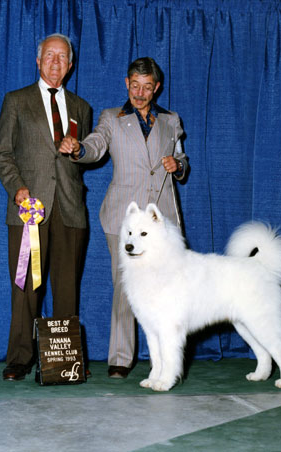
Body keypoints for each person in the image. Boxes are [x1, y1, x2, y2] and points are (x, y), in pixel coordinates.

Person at [59, 57, 188, 378]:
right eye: (135, 86)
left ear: (156, 88)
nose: (140, 93)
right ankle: (120, 357)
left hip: (162, 220)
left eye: (147, 87)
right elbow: (95, 145)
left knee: (171, 287)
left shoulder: (171, 120)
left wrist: (179, 165)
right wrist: (78, 150)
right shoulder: (111, 118)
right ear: (126, 83)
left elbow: (182, 159)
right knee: (124, 286)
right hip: (123, 219)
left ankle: (170, 359)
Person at [0, 33, 91, 381]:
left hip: (70, 211)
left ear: (70, 65)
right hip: (29, 210)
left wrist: (78, 150)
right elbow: (3, 154)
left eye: (62, 57)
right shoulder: (16, 100)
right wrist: (18, 189)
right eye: (49, 56)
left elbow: (82, 158)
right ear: (38, 61)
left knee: (67, 289)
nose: (55, 62)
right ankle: (19, 358)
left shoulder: (82, 108)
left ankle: (65, 363)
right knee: (25, 288)